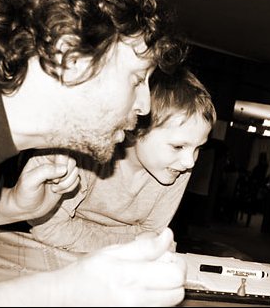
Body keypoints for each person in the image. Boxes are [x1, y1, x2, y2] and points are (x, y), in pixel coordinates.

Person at [0, 0, 188, 306]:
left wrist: (13, 207)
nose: (145, 107)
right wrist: (63, 291)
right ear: (71, 54)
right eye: (136, 79)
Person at [28, 67, 216, 252]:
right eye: (178, 146)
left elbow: (153, 235)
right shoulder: (85, 155)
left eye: (198, 148)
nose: (190, 162)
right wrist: (133, 242)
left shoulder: (176, 168)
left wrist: (142, 243)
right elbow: (48, 228)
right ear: (136, 127)